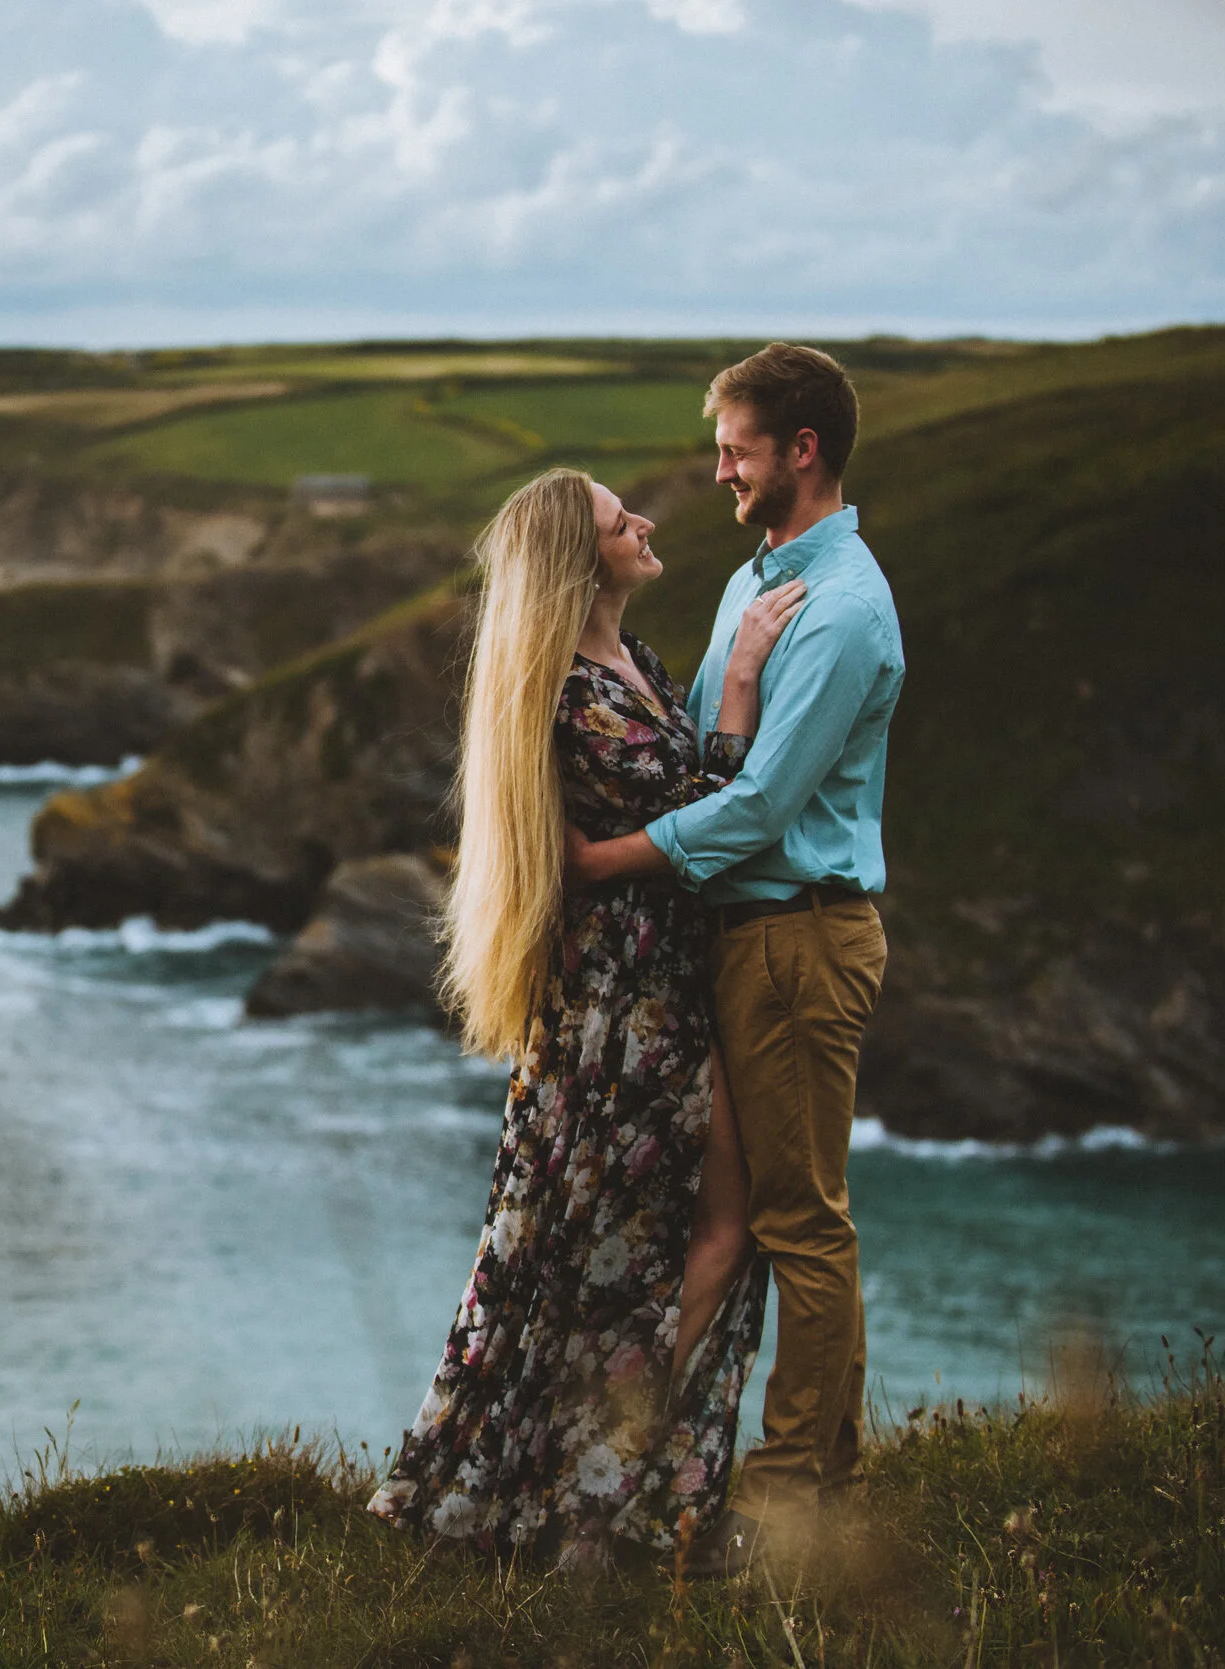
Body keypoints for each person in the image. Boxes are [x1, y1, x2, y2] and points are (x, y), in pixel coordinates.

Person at [369, 464, 806, 1569]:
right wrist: (744, 683)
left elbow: (673, 821)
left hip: (661, 988)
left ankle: (599, 1490)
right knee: (645, 1245)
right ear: (582, 557)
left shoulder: (631, 668)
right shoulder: (570, 692)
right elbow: (709, 819)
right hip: (625, 1006)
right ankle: (593, 1496)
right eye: (622, 520)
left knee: (628, 1248)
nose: (645, 522)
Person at [567, 343, 903, 1576]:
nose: (717, 470)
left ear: (799, 451)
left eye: (736, 448)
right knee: (787, 1218)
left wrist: (602, 864)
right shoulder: (761, 582)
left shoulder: (842, 608)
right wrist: (735, 678)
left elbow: (756, 810)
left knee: (800, 1223)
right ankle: (824, 1472)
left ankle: (785, 1498)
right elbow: (706, 746)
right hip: (750, 938)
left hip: (797, 935)